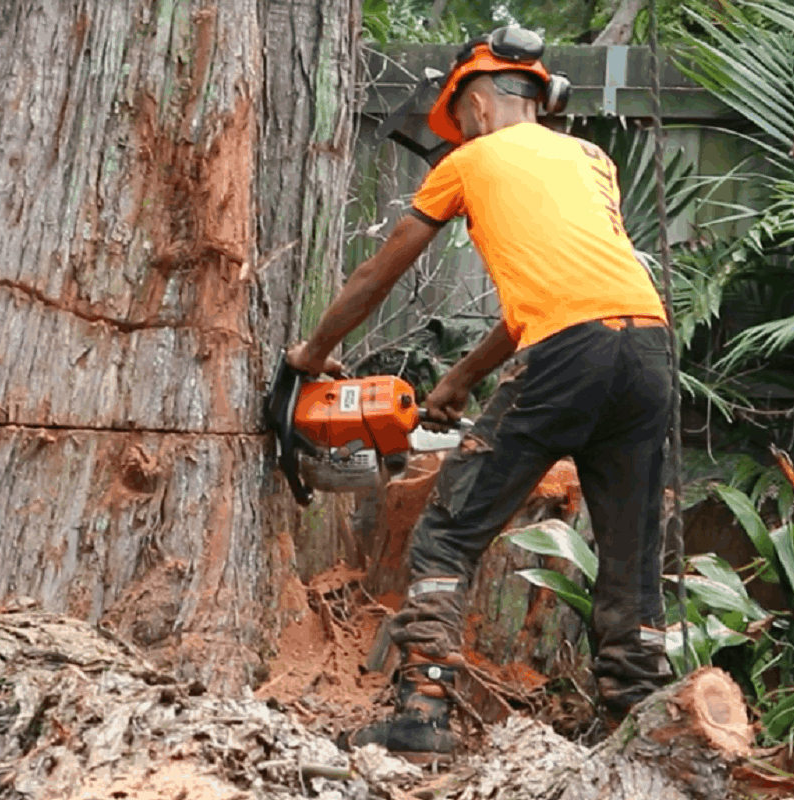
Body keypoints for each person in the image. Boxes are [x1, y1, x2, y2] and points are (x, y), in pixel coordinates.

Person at [286, 26, 675, 760]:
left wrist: (310, 355)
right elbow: (560, 293)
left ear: (479, 102)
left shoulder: (471, 159)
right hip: (647, 348)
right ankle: (639, 725)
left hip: (567, 351)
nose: (459, 131)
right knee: (631, 550)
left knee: (449, 533)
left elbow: (380, 274)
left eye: (459, 118)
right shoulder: (594, 160)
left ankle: (423, 711)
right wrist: (461, 379)